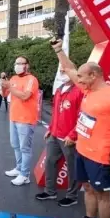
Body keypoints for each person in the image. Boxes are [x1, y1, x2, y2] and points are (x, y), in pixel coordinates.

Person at [52, 39, 110, 218]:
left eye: (82, 77)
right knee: (87, 188)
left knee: (103, 195)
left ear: (93, 76)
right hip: (83, 152)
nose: (79, 81)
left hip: (101, 157)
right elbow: (69, 68)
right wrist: (58, 50)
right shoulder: (88, 91)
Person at [36, 69, 82, 206]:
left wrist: (73, 134)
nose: (62, 73)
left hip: (69, 137)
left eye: (65, 71)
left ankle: (72, 196)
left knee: (72, 167)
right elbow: (55, 113)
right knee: (50, 161)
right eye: (60, 71)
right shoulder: (59, 89)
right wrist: (50, 129)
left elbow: (82, 116)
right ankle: (50, 191)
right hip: (55, 135)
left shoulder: (79, 91)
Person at [5, 56, 39, 186]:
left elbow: (25, 96)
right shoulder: (13, 78)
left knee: (25, 148)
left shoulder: (31, 79)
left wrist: (10, 87)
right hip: (13, 117)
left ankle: (25, 175)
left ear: (27, 65)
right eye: (16, 63)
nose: (17, 65)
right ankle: (19, 168)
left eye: (21, 63)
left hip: (26, 119)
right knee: (15, 145)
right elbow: (5, 94)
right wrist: (4, 87)